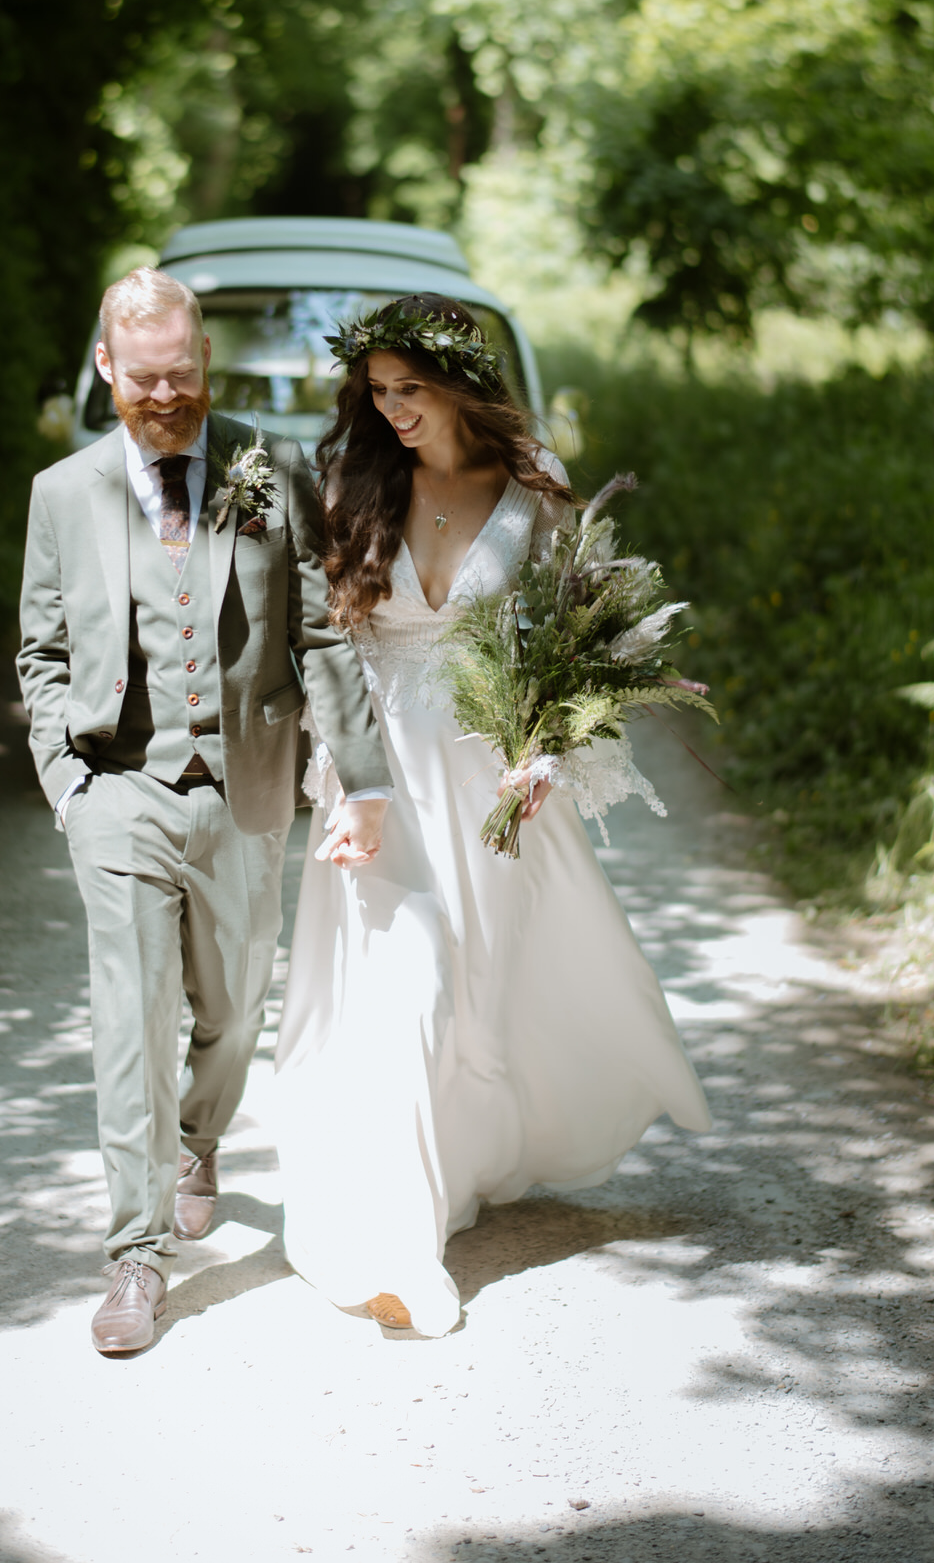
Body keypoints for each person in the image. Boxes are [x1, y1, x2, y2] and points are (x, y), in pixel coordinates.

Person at [274, 295, 711, 1338]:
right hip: (379, 780)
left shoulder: (535, 488)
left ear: (461, 384)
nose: (391, 411)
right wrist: (345, 773)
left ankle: (455, 1167)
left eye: (409, 390)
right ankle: (400, 1247)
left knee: (478, 991)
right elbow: (327, 643)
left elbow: (583, 637)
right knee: (410, 982)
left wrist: (547, 742)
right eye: (376, 393)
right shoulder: (354, 481)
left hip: (483, 778)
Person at [17, 269, 391, 1356]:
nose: (168, 394)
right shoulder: (61, 492)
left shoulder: (267, 472)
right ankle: (136, 1255)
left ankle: (199, 1136)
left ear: (204, 363)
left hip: (247, 782)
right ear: (106, 370)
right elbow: (40, 651)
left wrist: (359, 777)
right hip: (117, 789)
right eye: (145, 378)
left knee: (231, 1004)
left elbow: (320, 635)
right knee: (129, 1017)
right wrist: (66, 781)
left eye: (184, 373)